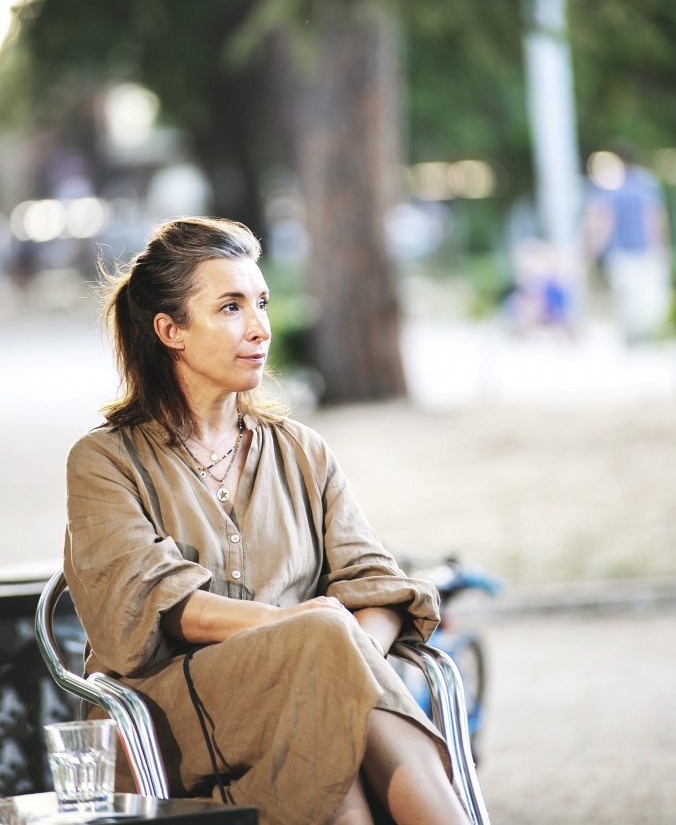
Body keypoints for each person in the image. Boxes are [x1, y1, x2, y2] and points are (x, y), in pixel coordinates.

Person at [64, 217, 469, 825]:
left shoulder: (302, 450)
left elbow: (377, 585)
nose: (260, 328)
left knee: (327, 696)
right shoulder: (105, 460)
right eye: (231, 307)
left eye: (262, 302)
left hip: (311, 692)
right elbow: (150, 603)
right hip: (173, 717)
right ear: (170, 331)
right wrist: (307, 629)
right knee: (324, 660)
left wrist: (345, 655)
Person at [583, 144, 672, 342]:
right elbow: (655, 217)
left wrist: (592, 252)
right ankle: (650, 336)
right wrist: (660, 246)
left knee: (628, 297)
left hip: (622, 251)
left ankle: (635, 336)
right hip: (645, 249)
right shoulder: (647, 183)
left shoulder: (611, 185)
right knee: (650, 296)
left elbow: (605, 221)